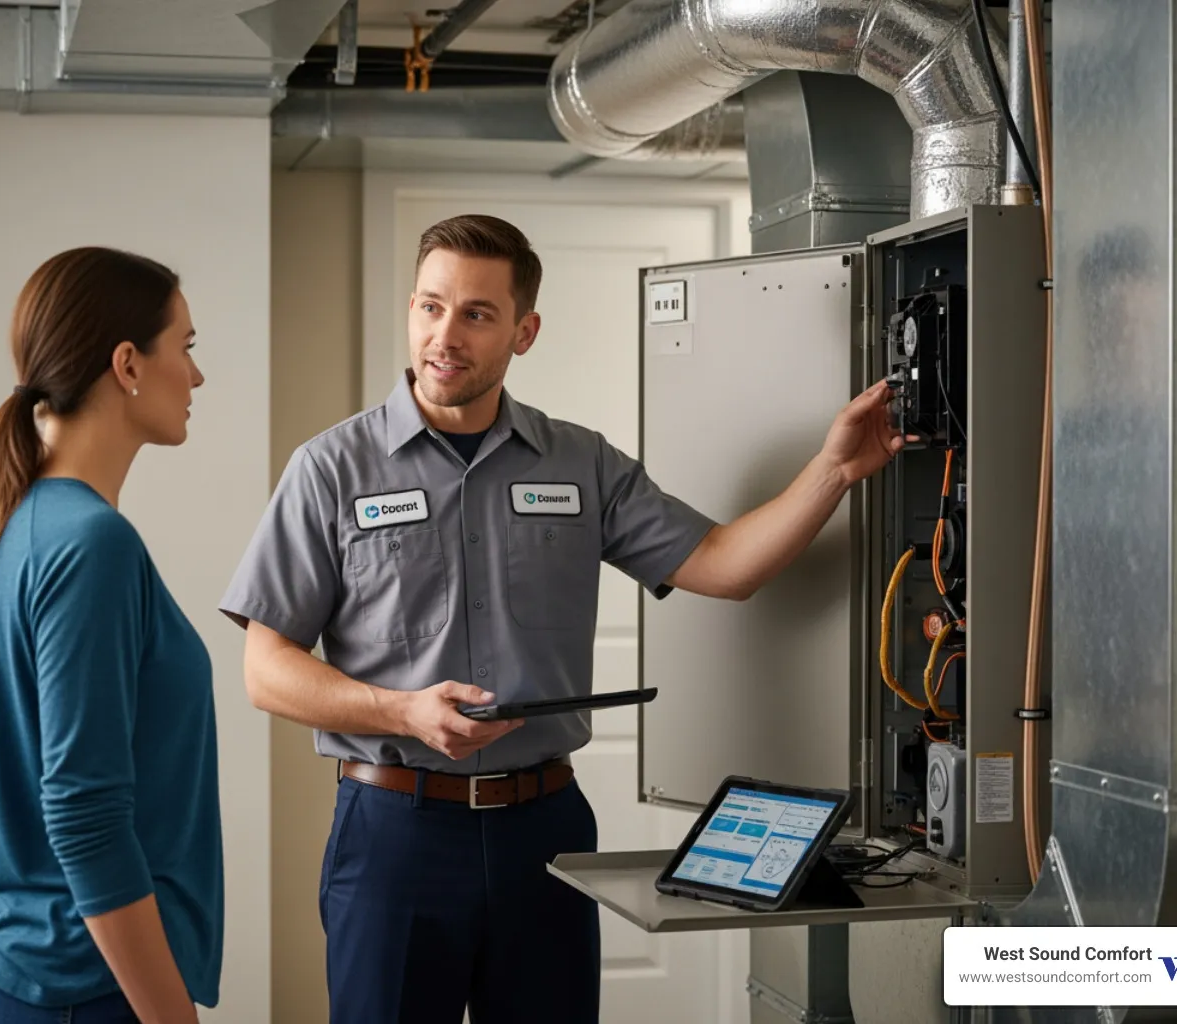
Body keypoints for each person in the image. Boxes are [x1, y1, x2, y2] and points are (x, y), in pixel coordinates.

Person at [218, 215, 905, 1024]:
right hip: (393, 833)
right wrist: (401, 711)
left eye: (476, 313)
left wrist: (833, 470)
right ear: (410, 309)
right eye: (431, 307)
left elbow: (725, 565)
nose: (445, 335)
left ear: (524, 331)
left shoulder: (581, 464)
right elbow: (265, 669)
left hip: (542, 833)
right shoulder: (330, 469)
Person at [0, 247, 221, 1024]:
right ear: (128, 363)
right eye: (186, 348)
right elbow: (83, 814)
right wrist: (171, 1016)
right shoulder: (90, 544)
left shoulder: (29, 523)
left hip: (39, 970)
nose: (196, 377)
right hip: (84, 985)